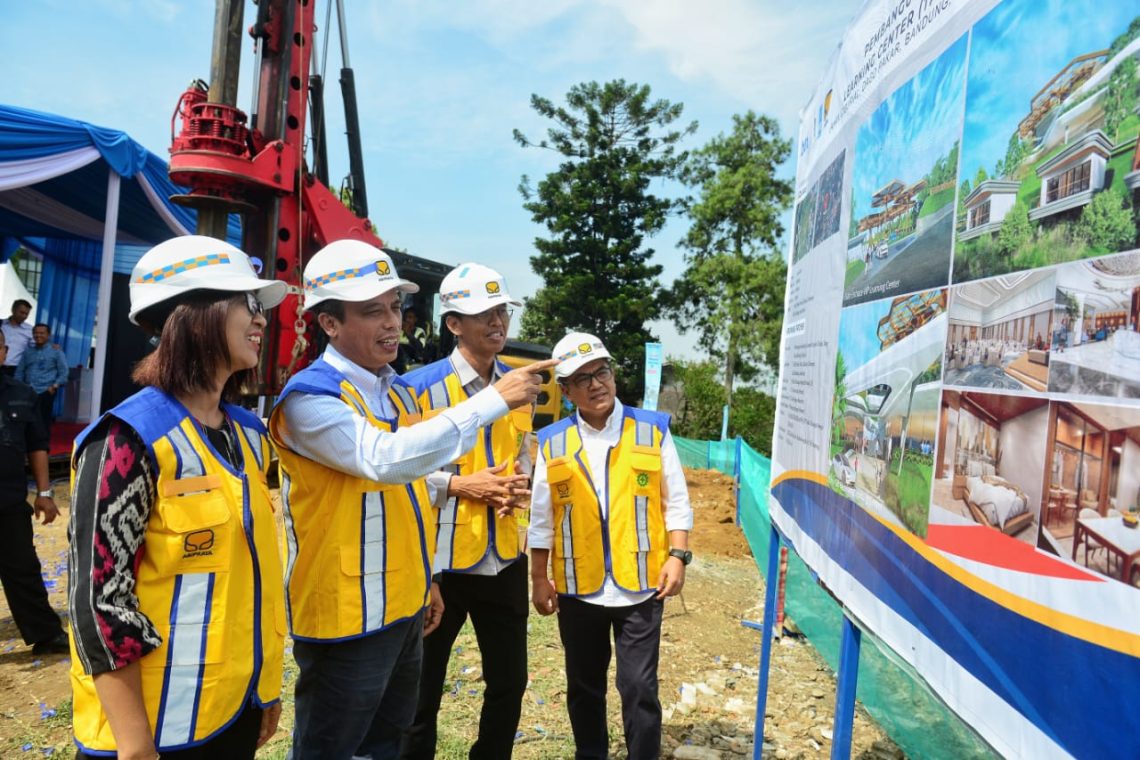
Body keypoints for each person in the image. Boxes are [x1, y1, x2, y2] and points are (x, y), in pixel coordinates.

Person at [268, 239, 554, 760]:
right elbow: (387, 459)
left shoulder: (394, 391)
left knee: (388, 743)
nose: (391, 322)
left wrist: (425, 579)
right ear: (328, 323)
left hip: (403, 603)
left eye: (396, 307)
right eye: (372, 310)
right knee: (336, 747)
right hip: (346, 617)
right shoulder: (311, 398)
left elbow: (409, 494)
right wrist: (490, 407)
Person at [68, 235, 288, 759]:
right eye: (248, 304)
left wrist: (266, 690)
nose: (262, 320)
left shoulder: (250, 435)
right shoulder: (125, 440)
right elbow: (99, 604)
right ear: (196, 313)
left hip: (232, 710)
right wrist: (134, 745)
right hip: (150, 733)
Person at [529, 333, 693, 760]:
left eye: (601, 372)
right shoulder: (552, 441)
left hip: (640, 584)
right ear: (565, 392)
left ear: (613, 374)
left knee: (639, 686)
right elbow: (542, 519)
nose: (595, 384)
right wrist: (538, 579)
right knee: (584, 686)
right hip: (578, 585)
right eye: (581, 379)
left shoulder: (651, 429)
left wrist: (678, 556)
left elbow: (675, 501)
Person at [400, 264, 533, 760]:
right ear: (454, 323)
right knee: (420, 694)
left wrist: (519, 485)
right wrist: (459, 485)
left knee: (509, 685)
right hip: (438, 564)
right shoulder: (416, 389)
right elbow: (398, 475)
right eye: (484, 313)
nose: (498, 321)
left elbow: (522, 454)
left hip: (503, 558)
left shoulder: (519, 385)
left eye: (502, 310)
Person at [0, 330, 69, 657]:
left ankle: (45, 634)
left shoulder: (22, 394)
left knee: (23, 569)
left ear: (4, 352)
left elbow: (37, 446)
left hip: (9, 502)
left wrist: (44, 492)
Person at [15, 323, 69, 432]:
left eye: (42, 333)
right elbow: (19, 372)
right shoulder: (28, 352)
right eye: (35, 333)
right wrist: (20, 388)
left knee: (43, 422)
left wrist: (54, 386)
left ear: (48, 335)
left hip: (46, 392)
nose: (38, 335)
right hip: (28, 391)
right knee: (26, 421)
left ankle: (43, 447)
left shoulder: (56, 351)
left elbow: (64, 372)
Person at [1, 298, 33, 376]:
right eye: (21, 312)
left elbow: (38, 346)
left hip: (15, 370)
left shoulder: (30, 330)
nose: (24, 316)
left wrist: (52, 346)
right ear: (13, 310)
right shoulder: (1, 324)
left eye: (26, 314)